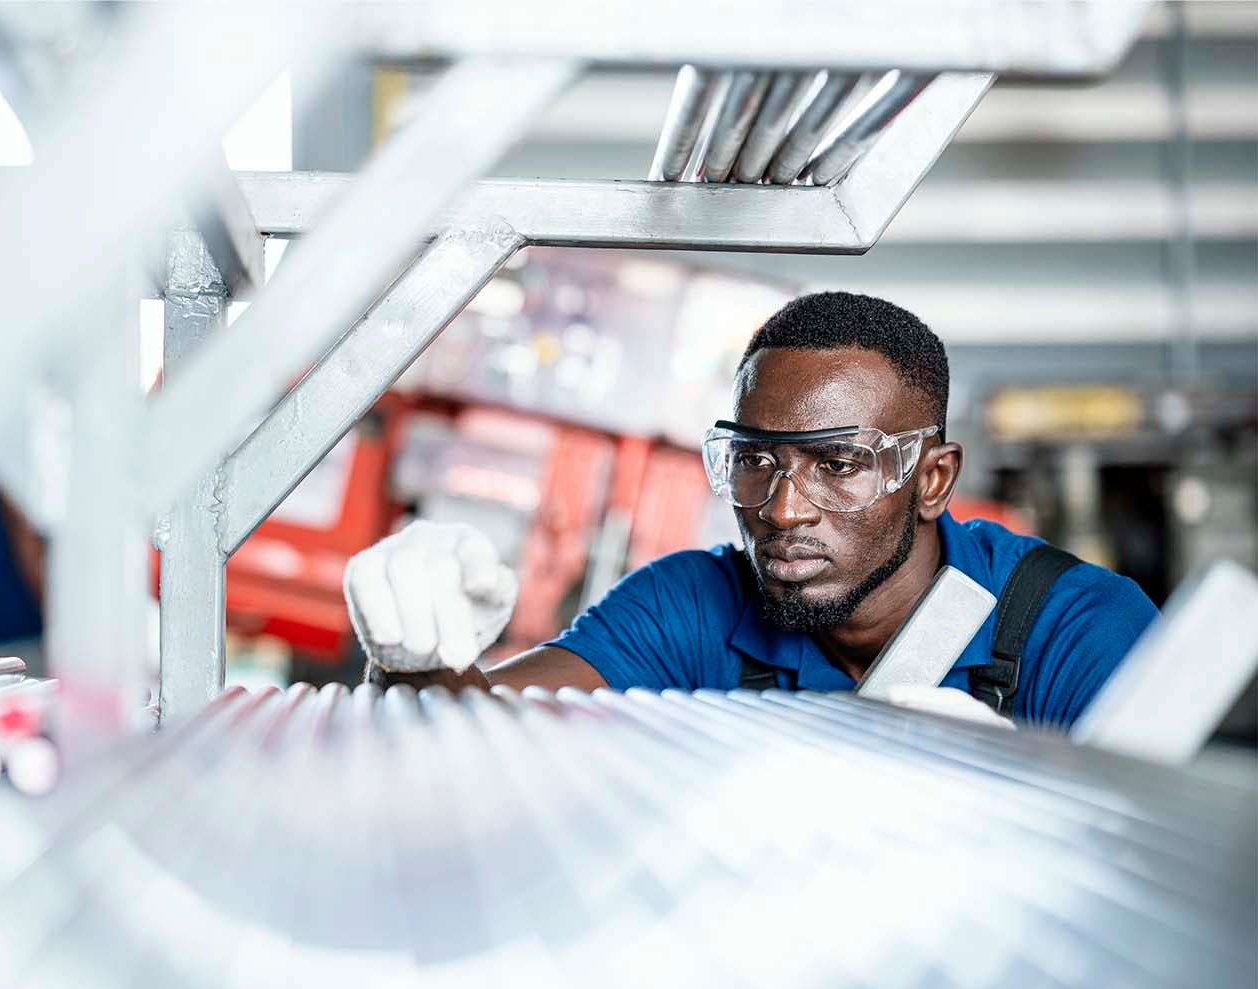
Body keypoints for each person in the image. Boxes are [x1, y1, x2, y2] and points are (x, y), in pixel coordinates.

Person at [344, 292, 1158, 727]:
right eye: (754, 461)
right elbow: (471, 738)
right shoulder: (692, 607)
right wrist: (417, 652)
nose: (783, 507)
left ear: (934, 479)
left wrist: (1024, 796)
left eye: (839, 463)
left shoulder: (1073, 629)